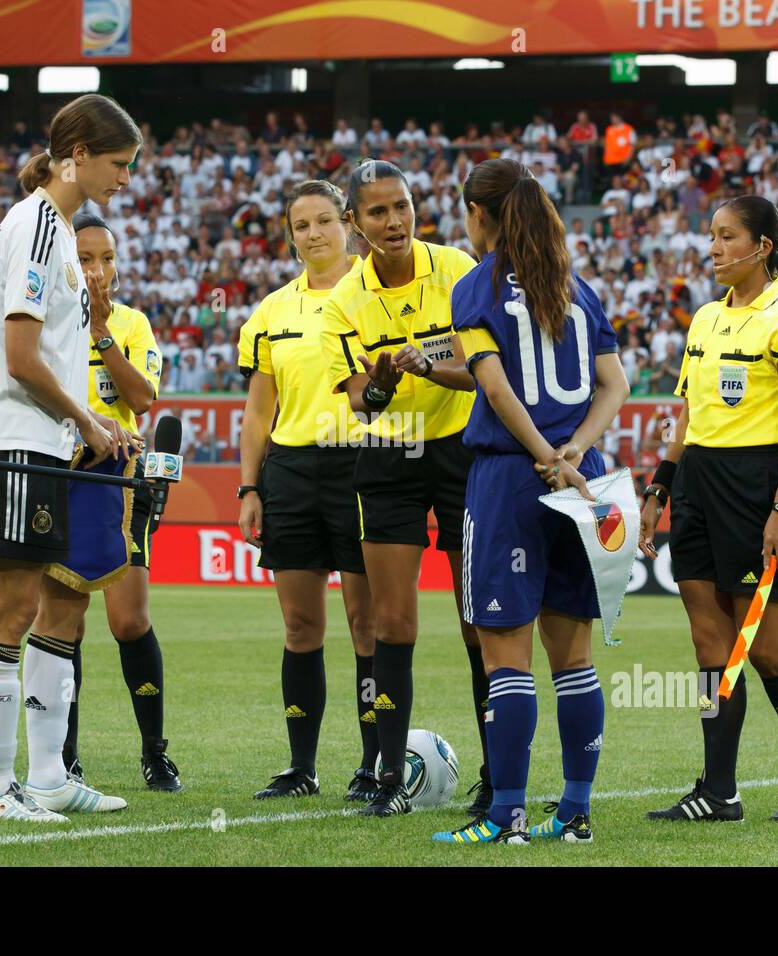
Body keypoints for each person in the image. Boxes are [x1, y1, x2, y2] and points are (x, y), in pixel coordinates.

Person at [429, 159, 630, 845]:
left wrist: (545, 456)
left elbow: (493, 389)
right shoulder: (578, 287)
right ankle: (574, 814)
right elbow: (616, 385)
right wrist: (575, 452)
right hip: (583, 480)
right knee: (572, 658)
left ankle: (505, 815)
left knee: (505, 656)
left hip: (513, 477)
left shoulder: (474, 288)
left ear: (478, 215)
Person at [0, 94, 142, 822]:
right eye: (119, 164)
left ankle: (48, 778)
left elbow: (45, 358)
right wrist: (87, 424)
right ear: (79, 156)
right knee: (10, 612)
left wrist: (91, 419)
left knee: (42, 610)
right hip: (11, 447)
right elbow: (22, 358)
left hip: (40, 444)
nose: (126, 178)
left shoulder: (57, 229)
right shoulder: (37, 227)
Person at [639, 195, 778, 823]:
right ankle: (718, 791)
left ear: (763, 246)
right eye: (711, 236)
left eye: (726, 237)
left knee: (767, 646)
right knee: (709, 641)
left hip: (755, 488)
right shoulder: (703, 319)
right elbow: (689, 414)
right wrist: (659, 488)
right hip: (696, 481)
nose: (714, 248)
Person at [322, 160, 489, 817]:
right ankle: (390, 780)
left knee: (481, 622)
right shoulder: (345, 301)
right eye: (378, 213)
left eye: (403, 206)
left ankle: (499, 779)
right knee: (392, 622)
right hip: (389, 455)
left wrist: (433, 367)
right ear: (355, 225)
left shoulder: (456, 269)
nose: (394, 222)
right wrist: (386, 381)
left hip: (462, 452)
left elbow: (487, 373)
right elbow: (363, 401)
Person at [236, 180, 377, 801]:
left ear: (348, 223)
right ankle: (302, 768)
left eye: (325, 221)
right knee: (299, 626)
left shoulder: (377, 295)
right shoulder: (270, 312)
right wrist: (249, 487)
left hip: (366, 467)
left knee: (367, 625)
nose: (314, 234)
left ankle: (376, 763)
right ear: (289, 235)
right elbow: (257, 411)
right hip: (290, 473)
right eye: (302, 225)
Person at [34, 210, 183, 793]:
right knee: (62, 624)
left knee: (129, 621)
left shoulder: (132, 324)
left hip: (122, 482)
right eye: (87, 258)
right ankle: (63, 758)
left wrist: (100, 332)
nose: (99, 269)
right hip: (60, 476)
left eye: (107, 258)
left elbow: (143, 399)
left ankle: (154, 752)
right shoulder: (43, 323)